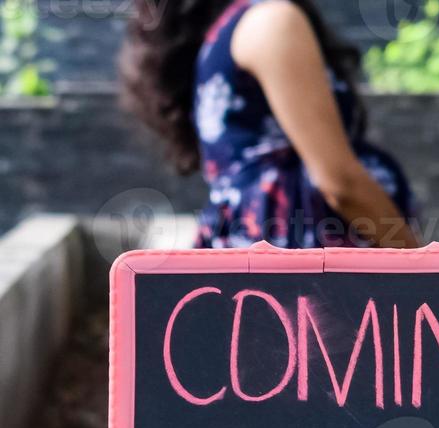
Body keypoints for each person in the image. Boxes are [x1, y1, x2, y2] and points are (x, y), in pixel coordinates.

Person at [121, 0, 419, 249]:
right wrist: (427, 272)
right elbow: (340, 183)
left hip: (264, 252)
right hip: (299, 258)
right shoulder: (271, 21)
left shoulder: (229, 29)